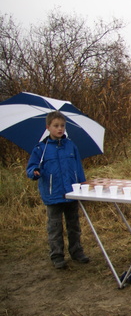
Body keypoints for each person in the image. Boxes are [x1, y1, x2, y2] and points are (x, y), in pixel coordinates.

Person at [26, 111, 90, 269]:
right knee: (54, 227)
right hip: (53, 194)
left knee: (74, 225)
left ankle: (76, 252)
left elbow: (78, 167)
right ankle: (57, 256)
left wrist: (83, 185)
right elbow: (31, 167)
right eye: (56, 126)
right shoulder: (41, 148)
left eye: (62, 126)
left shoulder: (71, 145)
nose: (59, 129)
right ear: (48, 127)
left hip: (71, 193)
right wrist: (34, 172)